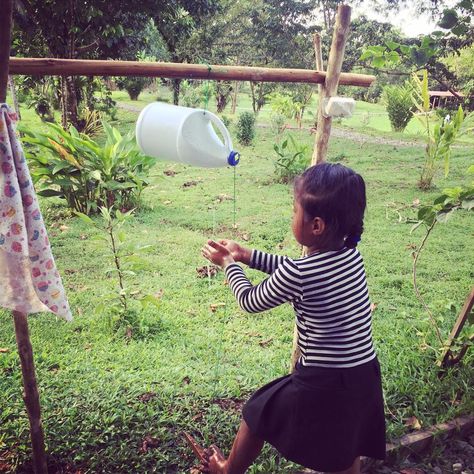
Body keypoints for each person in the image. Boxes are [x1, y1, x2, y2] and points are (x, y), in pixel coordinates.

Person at [201, 163, 385, 474]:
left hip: (324, 381)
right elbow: (296, 271)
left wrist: (229, 263)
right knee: (345, 446)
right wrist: (247, 253)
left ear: (316, 226)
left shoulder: (299, 273)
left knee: (257, 412)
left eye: (293, 212)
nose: (291, 217)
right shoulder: (350, 255)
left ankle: (228, 469)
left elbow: (250, 301)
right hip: (362, 375)